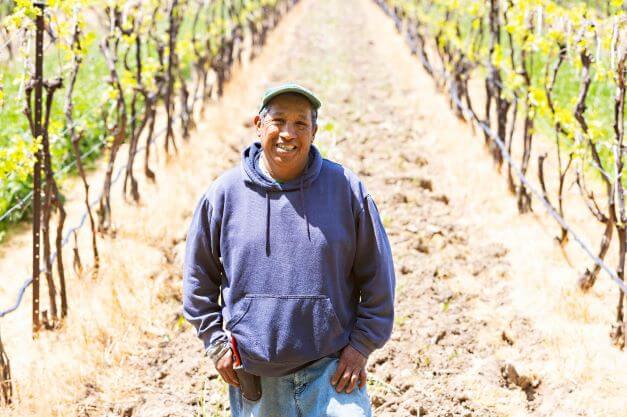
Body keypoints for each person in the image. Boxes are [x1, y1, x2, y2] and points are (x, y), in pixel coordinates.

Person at [182, 83, 395, 417]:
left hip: (332, 368)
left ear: (314, 131)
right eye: (278, 121)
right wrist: (216, 344)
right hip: (255, 373)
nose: (288, 133)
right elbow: (198, 280)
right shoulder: (224, 196)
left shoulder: (346, 191)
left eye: (300, 124)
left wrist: (360, 347)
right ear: (259, 125)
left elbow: (378, 276)